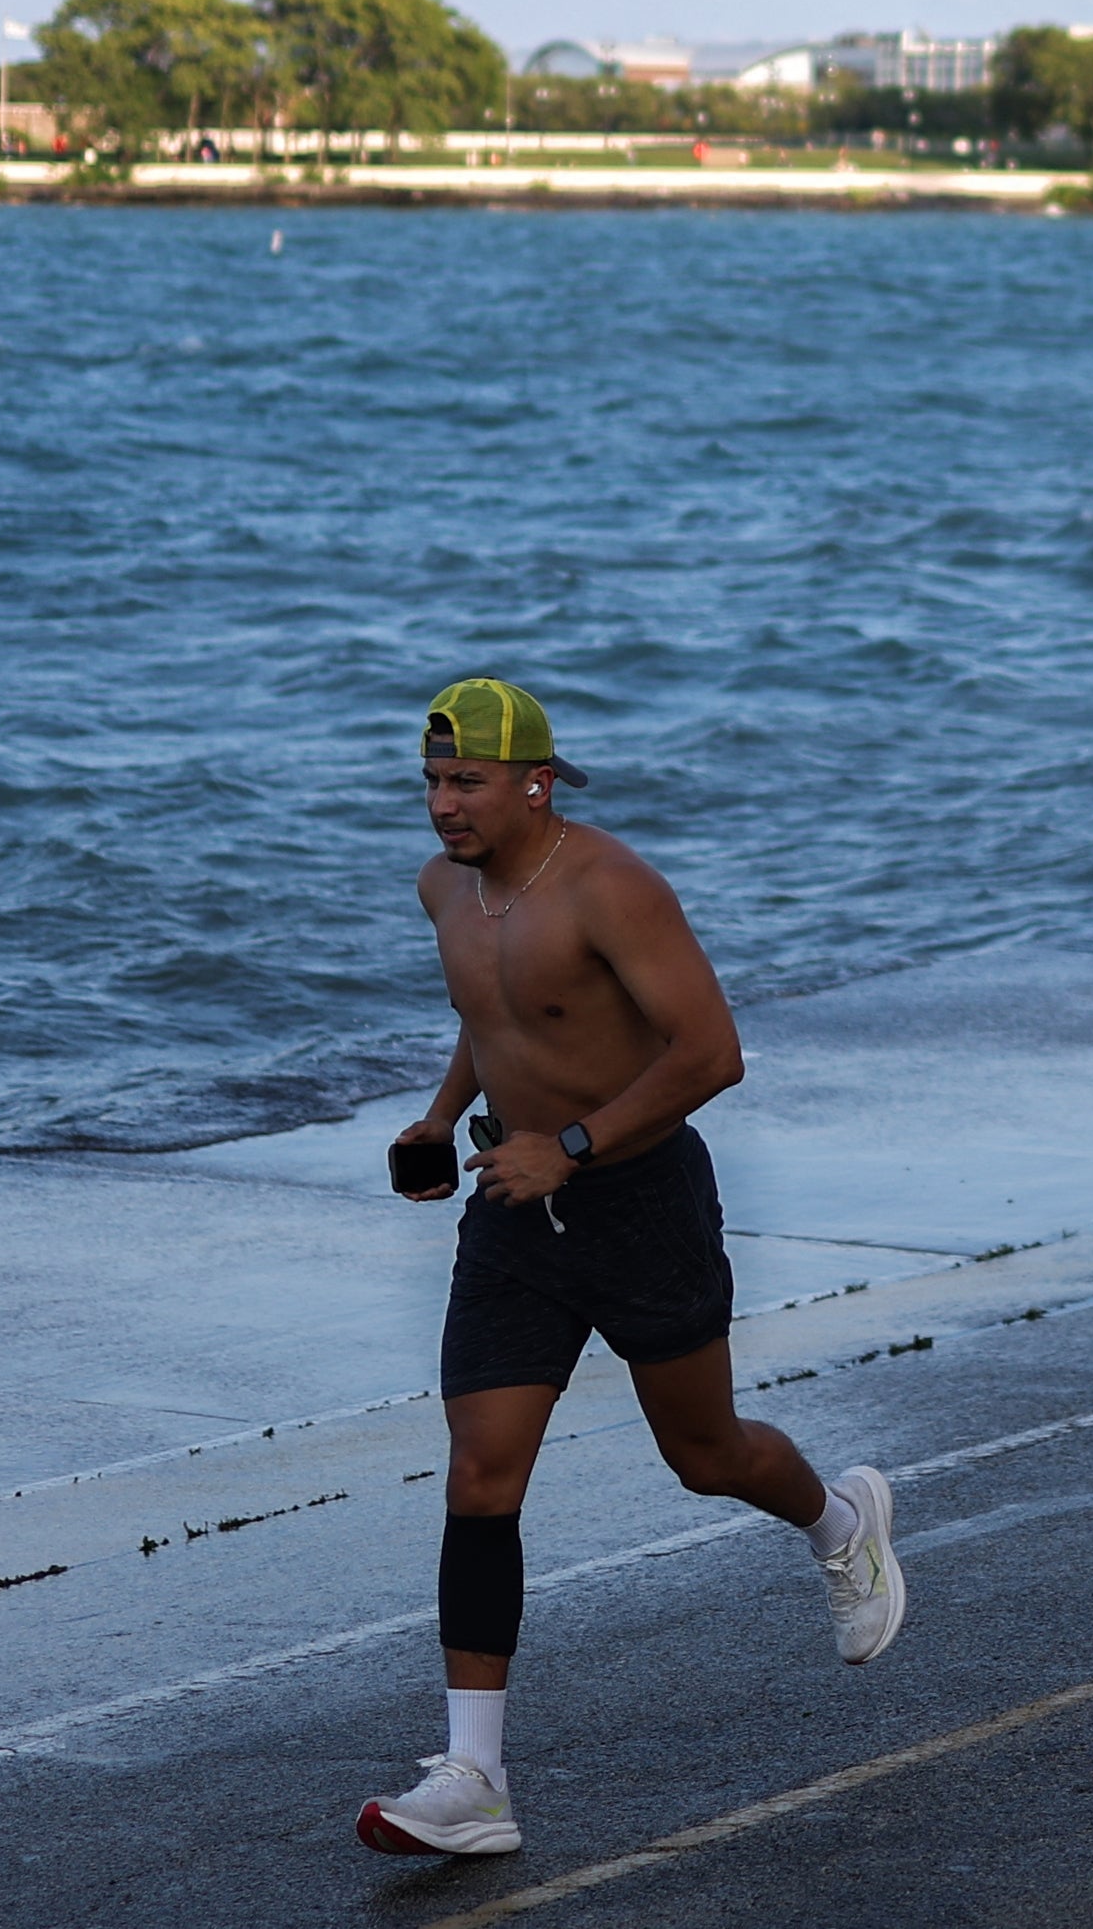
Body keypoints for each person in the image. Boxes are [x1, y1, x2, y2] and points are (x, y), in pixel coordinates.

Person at [355, 677, 904, 1862]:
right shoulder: (441, 884)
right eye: (432, 782)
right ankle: (474, 1775)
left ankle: (838, 1519)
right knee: (480, 1473)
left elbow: (712, 1051)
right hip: (514, 1196)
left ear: (534, 782)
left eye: (466, 782)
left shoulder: (612, 887)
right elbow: (496, 1013)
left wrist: (576, 1145)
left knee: (702, 1453)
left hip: (637, 1194)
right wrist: (442, 1115)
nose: (443, 805)